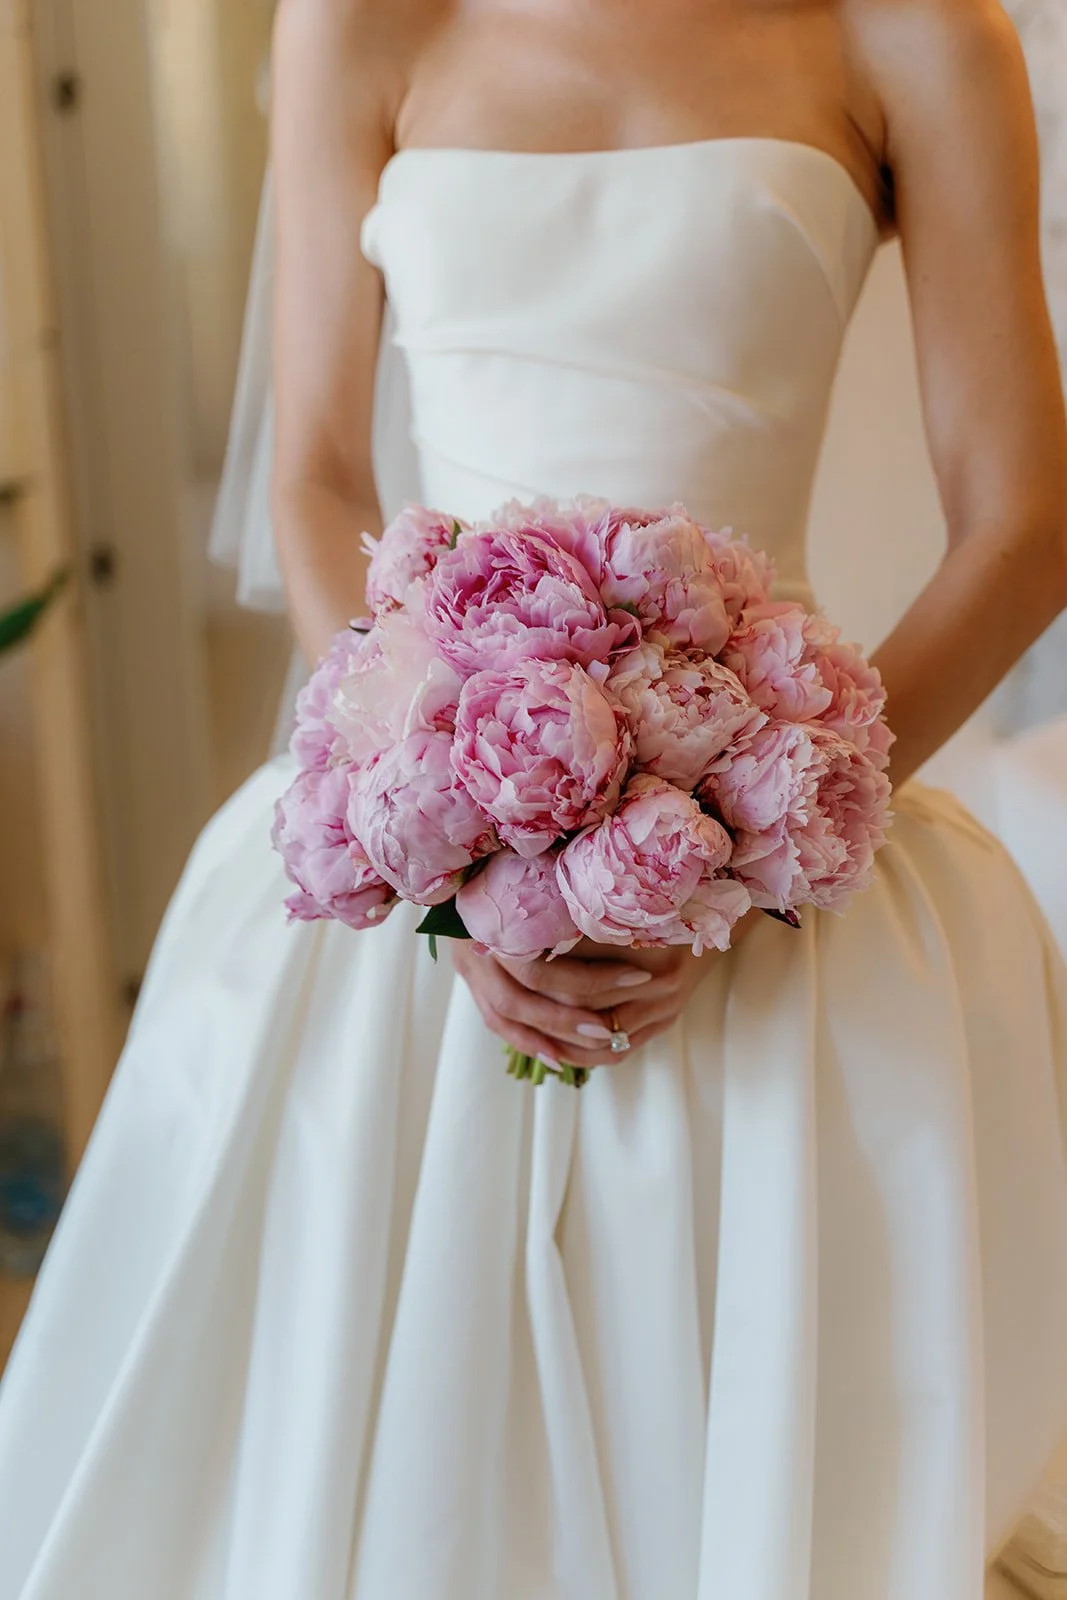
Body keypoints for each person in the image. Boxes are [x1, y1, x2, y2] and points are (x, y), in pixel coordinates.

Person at [2, 1, 1067, 1595]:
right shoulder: (358, 24)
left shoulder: (911, 34)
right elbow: (313, 470)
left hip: (780, 870)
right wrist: (430, 814)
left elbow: (1021, 521)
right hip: (420, 843)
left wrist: (765, 812)